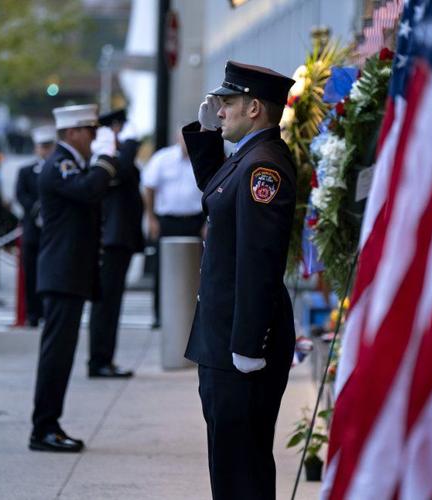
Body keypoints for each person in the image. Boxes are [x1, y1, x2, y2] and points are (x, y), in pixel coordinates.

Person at [181, 60, 296, 500]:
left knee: (240, 470)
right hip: (223, 337)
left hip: (239, 343)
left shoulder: (262, 168)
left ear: (254, 108)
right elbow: (216, 193)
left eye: (228, 103)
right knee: (231, 464)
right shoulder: (248, 158)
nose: (219, 109)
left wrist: (248, 345)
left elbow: (258, 262)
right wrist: (207, 136)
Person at [30, 104, 130, 453]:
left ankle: (48, 424)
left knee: (62, 354)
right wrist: (105, 159)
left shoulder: (71, 162)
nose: (93, 137)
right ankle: (44, 427)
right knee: (56, 355)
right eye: (89, 131)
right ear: (72, 132)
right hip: (61, 273)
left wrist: (104, 162)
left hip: (69, 273)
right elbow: (88, 190)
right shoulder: (60, 163)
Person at [87, 109, 143, 378]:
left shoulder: (114, 156)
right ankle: (99, 360)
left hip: (120, 238)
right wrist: (128, 145)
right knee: (106, 304)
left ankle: (104, 358)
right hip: (110, 238)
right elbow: (120, 171)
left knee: (112, 303)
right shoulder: (105, 157)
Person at [141, 130, 204, 329]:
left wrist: (207, 223)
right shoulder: (162, 158)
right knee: (163, 268)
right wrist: (151, 218)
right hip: (168, 221)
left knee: (199, 269)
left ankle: (196, 316)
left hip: (195, 221)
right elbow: (149, 187)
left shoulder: (202, 158)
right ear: (177, 139)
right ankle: (160, 315)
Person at [16, 125, 56, 327]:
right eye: (42, 146)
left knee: (50, 273)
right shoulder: (25, 171)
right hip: (32, 229)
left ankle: (48, 312)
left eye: (49, 146)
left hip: (51, 231)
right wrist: (34, 208)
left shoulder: (58, 168)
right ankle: (33, 313)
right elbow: (20, 195)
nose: (46, 150)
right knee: (30, 273)